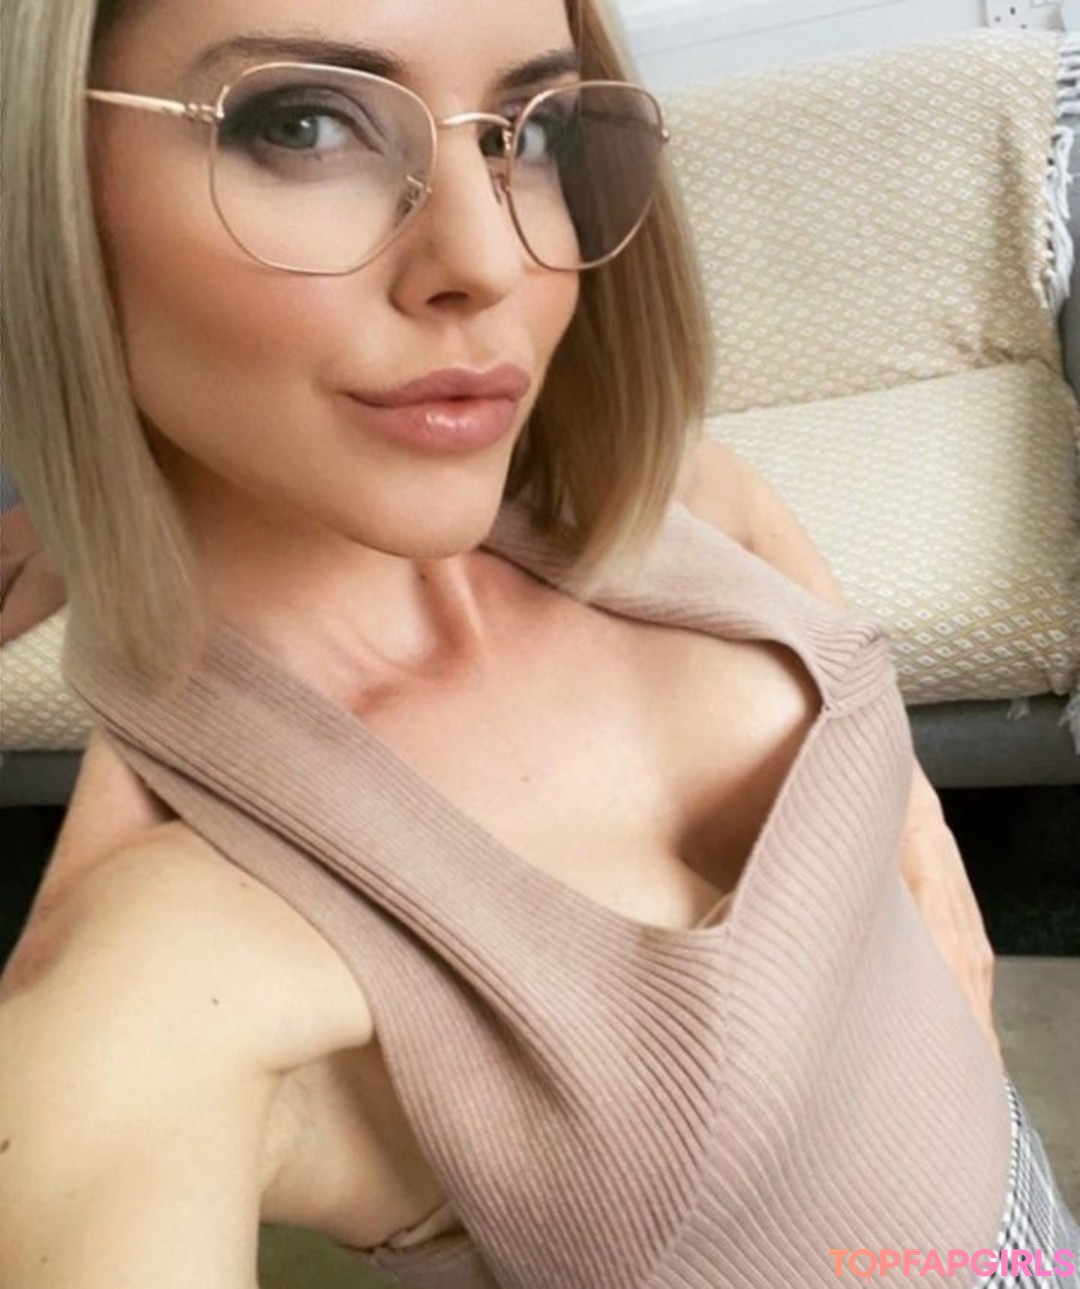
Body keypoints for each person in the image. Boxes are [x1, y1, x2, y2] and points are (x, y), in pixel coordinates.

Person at [0, 1, 1075, 1286]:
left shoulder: (619, 493)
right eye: (305, 124)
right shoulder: (161, 967)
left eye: (531, 131)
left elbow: (767, 555)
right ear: (45, 188)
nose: (488, 258)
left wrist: (920, 838)